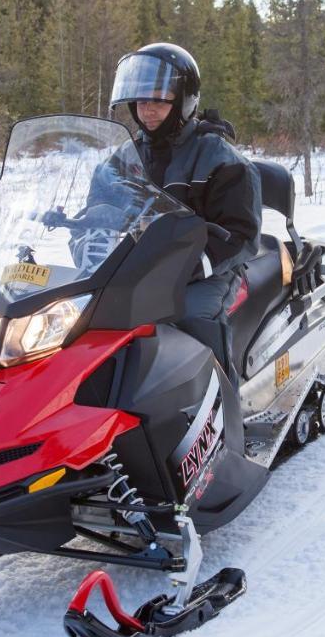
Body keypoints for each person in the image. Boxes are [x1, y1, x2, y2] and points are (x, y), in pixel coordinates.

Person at [109, 42, 262, 384]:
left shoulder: (219, 158)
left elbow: (241, 234)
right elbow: (99, 207)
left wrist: (197, 263)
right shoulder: (125, 157)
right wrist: (87, 237)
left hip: (206, 271)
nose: (148, 110)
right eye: (141, 101)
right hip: (138, 268)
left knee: (191, 317)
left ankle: (222, 412)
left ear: (183, 101)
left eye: (159, 101)